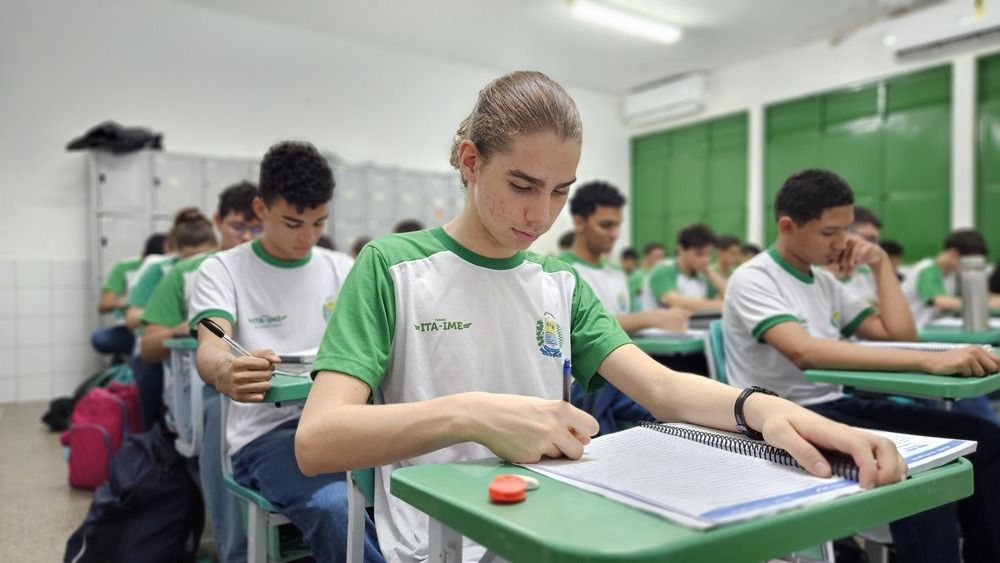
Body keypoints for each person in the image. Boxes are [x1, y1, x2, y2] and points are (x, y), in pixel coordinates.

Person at [295, 71, 906, 563]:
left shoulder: (558, 283)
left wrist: (766, 410)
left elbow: (662, 388)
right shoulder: (393, 267)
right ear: (470, 160)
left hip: (558, 523)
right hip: (442, 542)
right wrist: (472, 414)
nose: (540, 214)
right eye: (523, 183)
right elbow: (318, 441)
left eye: (560, 190)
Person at [723, 168, 1000, 563]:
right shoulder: (753, 278)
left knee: (986, 437)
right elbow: (806, 352)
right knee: (922, 472)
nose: (842, 243)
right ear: (788, 226)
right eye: (829, 232)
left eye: (846, 230)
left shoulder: (824, 281)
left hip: (838, 407)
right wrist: (929, 361)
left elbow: (897, 335)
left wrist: (880, 263)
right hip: (784, 420)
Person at [190, 142, 378, 562]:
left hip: (343, 421)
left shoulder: (340, 268)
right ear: (261, 208)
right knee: (336, 507)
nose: (307, 236)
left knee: (414, 488)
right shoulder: (221, 271)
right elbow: (211, 346)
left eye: (318, 222)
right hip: (266, 435)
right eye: (293, 222)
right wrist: (225, 373)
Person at [136, 181, 259, 563]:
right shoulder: (188, 274)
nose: (247, 237)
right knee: (220, 411)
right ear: (218, 222)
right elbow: (147, 346)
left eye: (257, 228)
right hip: (202, 386)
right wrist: (190, 329)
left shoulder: (278, 269)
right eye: (239, 226)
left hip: (271, 381)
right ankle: (234, 551)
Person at [560, 180, 688, 434]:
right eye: (605, 225)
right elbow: (584, 331)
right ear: (579, 222)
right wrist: (652, 317)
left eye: (617, 225)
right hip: (585, 379)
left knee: (682, 415)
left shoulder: (618, 274)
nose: (614, 233)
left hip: (623, 376)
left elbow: (622, 327)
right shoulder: (560, 273)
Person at [128, 209, 217, 430]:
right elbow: (133, 317)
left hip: (193, 352)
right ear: (174, 250)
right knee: (149, 375)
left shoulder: (219, 267)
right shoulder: (164, 271)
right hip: (163, 344)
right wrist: (176, 324)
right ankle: (148, 435)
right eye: (188, 259)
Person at [902, 229, 1000, 327]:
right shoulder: (927, 269)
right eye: (970, 262)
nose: (972, 267)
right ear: (953, 254)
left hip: (932, 327)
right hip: (914, 330)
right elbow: (940, 302)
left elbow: (969, 296)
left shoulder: (952, 274)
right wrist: (982, 305)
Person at [90, 233, 166, 357]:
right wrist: (127, 302)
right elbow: (104, 305)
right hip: (132, 328)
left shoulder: (170, 268)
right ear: (143, 255)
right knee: (101, 339)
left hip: (162, 327)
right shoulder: (125, 267)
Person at [639, 223, 727, 313]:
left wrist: (708, 272)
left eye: (709, 254)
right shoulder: (663, 270)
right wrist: (723, 305)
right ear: (681, 249)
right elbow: (677, 303)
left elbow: (729, 295)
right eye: (699, 254)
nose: (706, 259)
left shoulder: (702, 276)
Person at [628, 241, 666, 309]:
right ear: (647, 257)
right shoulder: (637, 276)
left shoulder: (664, 275)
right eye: (657, 256)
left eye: (662, 256)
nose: (661, 260)